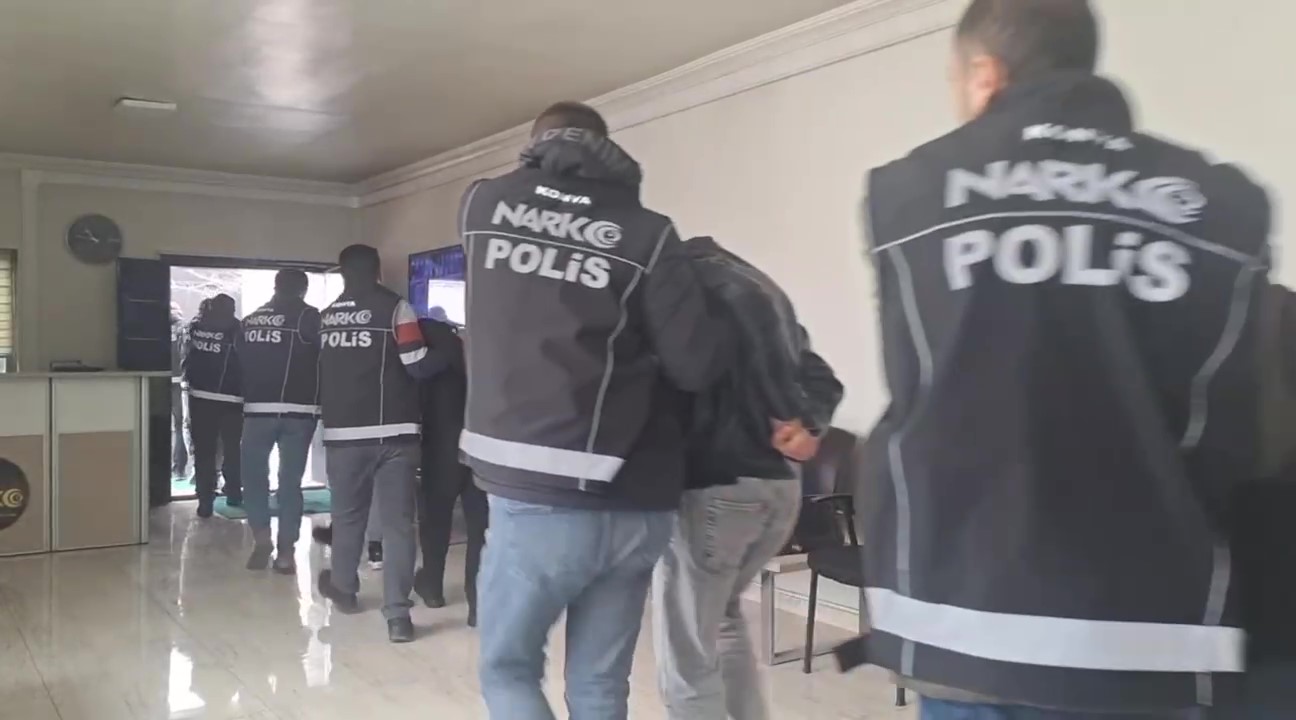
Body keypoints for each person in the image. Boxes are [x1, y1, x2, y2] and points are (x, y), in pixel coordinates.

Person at [835, 1, 1273, 718]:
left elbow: (923, 398)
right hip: (1152, 629)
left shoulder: (907, 190)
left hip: (964, 616)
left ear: (985, 75)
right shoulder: (1225, 204)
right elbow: (1237, 431)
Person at [459, 101, 732, 719]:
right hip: (637, 500)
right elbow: (696, 367)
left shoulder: (482, 204)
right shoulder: (649, 232)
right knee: (600, 685)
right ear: (607, 148)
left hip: (535, 498)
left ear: (534, 146)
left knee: (508, 671)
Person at [652, 236, 843, 720]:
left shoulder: (683, 292)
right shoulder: (762, 288)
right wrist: (809, 424)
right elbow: (823, 377)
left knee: (687, 657)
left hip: (716, 488)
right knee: (723, 622)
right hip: (779, 486)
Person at [315, 243, 449, 643]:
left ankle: (344, 588)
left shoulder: (326, 318)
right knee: (398, 526)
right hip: (395, 434)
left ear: (342, 273)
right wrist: (449, 347)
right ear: (377, 271)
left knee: (348, 517)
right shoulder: (395, 308)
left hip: (343, 436)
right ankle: (398, 617)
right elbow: (416, 363)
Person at [238, 270, 321, 574]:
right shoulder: (309, 317)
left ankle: (262, 538)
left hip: (257, 410)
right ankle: (286, 553)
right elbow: (327, 358)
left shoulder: (250, 321)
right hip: (300, 411)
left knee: (254, 478)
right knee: (289, 483)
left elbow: (238, 363)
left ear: (275, 286)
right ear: (303, 289)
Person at [411, 312, 484, 627]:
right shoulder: (476, 356)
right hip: (479, 448)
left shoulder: (428, 366)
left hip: (440, 450)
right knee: (480, 529)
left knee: (435, 521)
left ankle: (432, 588)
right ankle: (477, 604)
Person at [184, 293, 244, 518]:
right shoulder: (238, 329)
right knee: (233, 449)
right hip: (232, 398)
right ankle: (234, 493)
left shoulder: (195, 326)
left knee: (204, 451)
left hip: (199, 397)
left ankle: (205, 501)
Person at [170, 303, 190, 478]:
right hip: (180, 382)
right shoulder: (183, 329)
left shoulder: (155, 329)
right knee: (180, 425)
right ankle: (179, 468)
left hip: (159, 381)